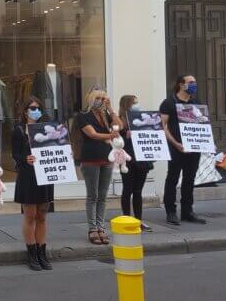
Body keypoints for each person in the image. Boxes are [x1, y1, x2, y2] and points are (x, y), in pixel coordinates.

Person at [12, 97, 55, 271]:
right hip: (28, 176)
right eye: (32, 108)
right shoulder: (19, 130)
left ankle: (41, 252)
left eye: (38, 108)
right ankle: (31, 253)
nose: (36, 110)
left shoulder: (47, 129)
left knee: (42, 215)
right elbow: (15, 154)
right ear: (25, 111)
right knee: (30, 215)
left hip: (45, 175)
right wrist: (25, 158)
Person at [76, 89, 123, 245]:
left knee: (103, 196)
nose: (101, 100)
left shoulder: (106, 115)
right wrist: (110, 136)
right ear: (90, 99)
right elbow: (92, 134)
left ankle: (101, 227)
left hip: (106, 158)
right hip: (90, 159)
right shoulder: (83, 115)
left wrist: (111, 109)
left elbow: (120, 125)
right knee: (93, 195)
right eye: (98, 98)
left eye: (104, 98)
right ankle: (92, 228)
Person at [160, 75, 206, 225]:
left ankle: (187, 211)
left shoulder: (196, 102)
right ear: (181, 84)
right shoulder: (169, 102)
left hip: (194, 148)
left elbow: (202, 124)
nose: (194, 84)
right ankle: (171, 211)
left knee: (189, 179)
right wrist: (175, 143)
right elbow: (163, 126)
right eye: (191, 82)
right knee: (172, 178)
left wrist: (205, 141)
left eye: (195, 82)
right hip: (176, 148)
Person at [118, 95, 153, 232]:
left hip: (142, 159)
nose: (137, 105)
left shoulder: (142, 119)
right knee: (127, 189)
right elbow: (116, 140)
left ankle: (138, 220)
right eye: (134, 103)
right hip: (127, 160)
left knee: (138, 190)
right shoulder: (120, 121)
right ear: (127, 105)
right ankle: (127, 218)